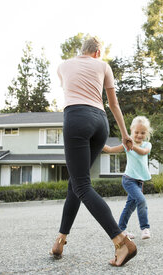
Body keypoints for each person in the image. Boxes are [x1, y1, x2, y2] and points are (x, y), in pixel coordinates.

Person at [50, 37, 137, 267]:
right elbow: (113, 104)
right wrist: (125, 135)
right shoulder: (103, 66)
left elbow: (69, 86)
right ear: (98, 52)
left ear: (82, 51)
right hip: (101, 123)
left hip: (77, 118)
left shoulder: (63, 66)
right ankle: (61, 239)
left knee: (81, 185)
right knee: (75, 183)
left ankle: (120, 240)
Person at [103, 116, 153, 240]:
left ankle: (121, 230)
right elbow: (110, 150)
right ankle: (145, 228)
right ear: (131, 130)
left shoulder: (147, 144)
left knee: (130, 206)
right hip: (128, 180)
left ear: (146, 133)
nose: (139, 135)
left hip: (139, 181)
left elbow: (143, 152)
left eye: (142, 133)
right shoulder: (126, 145)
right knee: (141, 200)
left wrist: (131, 146)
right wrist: (98, 143)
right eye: (136, 132)